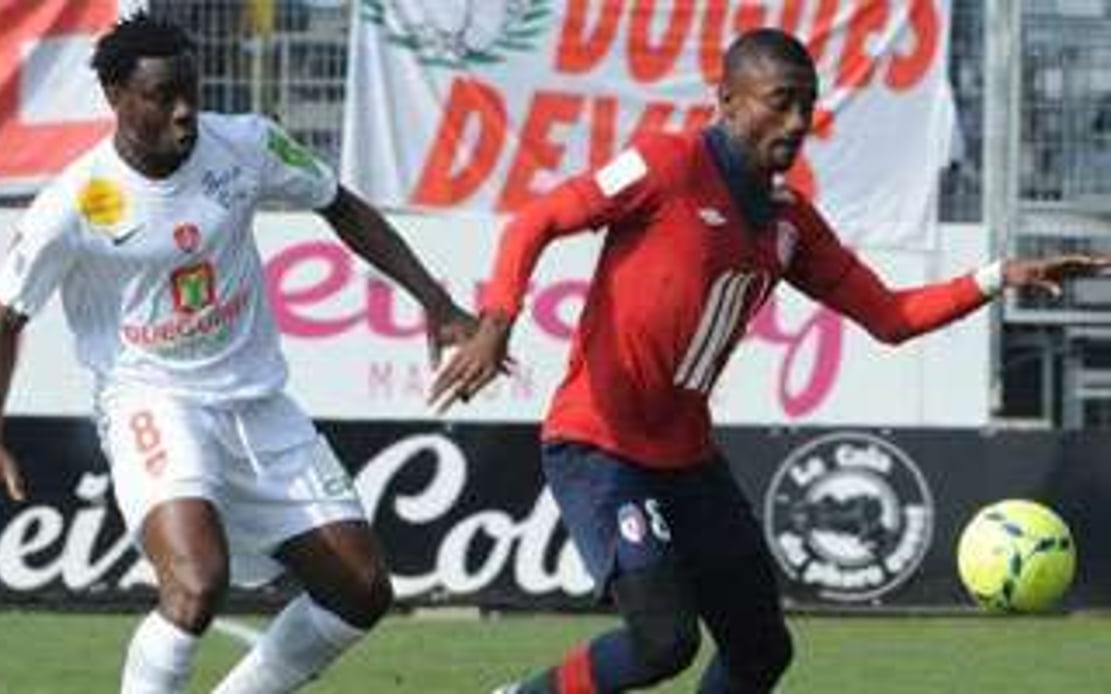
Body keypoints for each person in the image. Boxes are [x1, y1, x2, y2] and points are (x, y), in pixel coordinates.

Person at [431, 28, 1108, 694]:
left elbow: (890, 317)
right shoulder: (666, 165)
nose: (796, 121)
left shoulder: (788, 220)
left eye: (806, 105)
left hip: (688, 462)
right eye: (779, 101)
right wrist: (496, 321)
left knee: (760, 651)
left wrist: (997, 277)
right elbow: (535, 220)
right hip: (600, 447)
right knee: (662, 641)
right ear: (726, 100)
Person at [0, 11, 474, 694]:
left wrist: (434, 302)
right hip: (152, 399)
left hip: (258, 403)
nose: (185, 113)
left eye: (191, 92)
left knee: (361, 591)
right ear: (115, 97)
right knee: (197, 584)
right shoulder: (77, 202)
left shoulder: (246, 145)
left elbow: (340, 204)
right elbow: (2, 319)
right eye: (162, 96)